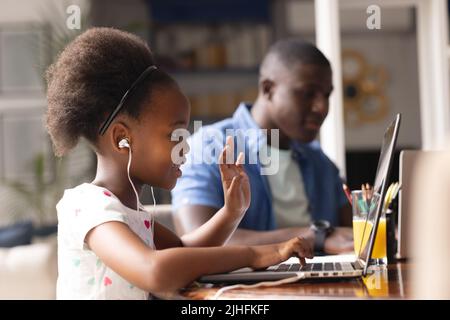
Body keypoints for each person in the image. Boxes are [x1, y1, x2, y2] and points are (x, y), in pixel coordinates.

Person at [45, 28, 313, 300]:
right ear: (122, 138)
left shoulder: (130, 212)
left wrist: (231, 212)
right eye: (175, 135)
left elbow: (186, 249)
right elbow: (155, 270)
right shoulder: (89, 207)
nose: (186, 146)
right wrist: (256, 254)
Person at [172, 39, 353, 254]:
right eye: (308, 93)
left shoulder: (319, 161)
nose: (321, 107)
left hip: (326, 285)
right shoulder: (209, 147)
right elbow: (197, 242)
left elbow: (354, 231)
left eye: (327, 95)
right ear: (268, 89)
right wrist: (315, 236)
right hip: (247, 287)